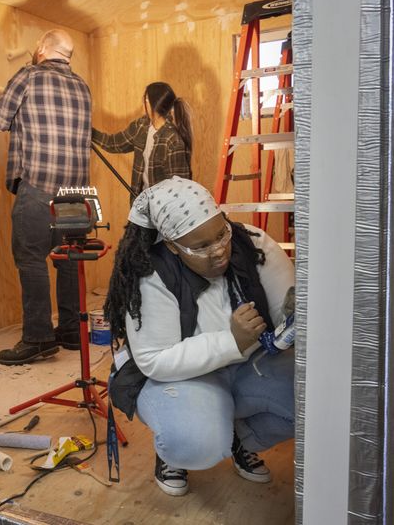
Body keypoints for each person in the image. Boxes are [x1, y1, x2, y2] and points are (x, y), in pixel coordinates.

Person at [104, 176, 295, 496]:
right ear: (172, 246)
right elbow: (154, 360)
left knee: (315, 399)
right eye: (202, 246)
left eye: (222, 234)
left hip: (246, 366)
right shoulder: (153, 273)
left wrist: (296, 317)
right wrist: (232, 341)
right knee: (196, 439)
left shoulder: (254, 245)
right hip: (177, 377)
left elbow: (286, 314)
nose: (219, 250)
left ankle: (239, 438)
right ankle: (172, 450)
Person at [0, 29, 92, 365]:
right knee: (66, 259)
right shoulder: (82, 86)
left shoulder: (29, 75)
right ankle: (70, 332)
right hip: (77, 193)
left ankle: (38, 339)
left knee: (32, 259)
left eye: (37, 46)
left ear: (44, 49)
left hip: (39, 187)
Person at [92, 82, 192, 197]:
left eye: (146, 99)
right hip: (140, 206)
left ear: (153, 104)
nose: (143, 103)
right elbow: (114, 143)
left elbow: (179, 189)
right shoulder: (141, 126)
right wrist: (89, 132)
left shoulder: (173, 140)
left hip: (162, 210)